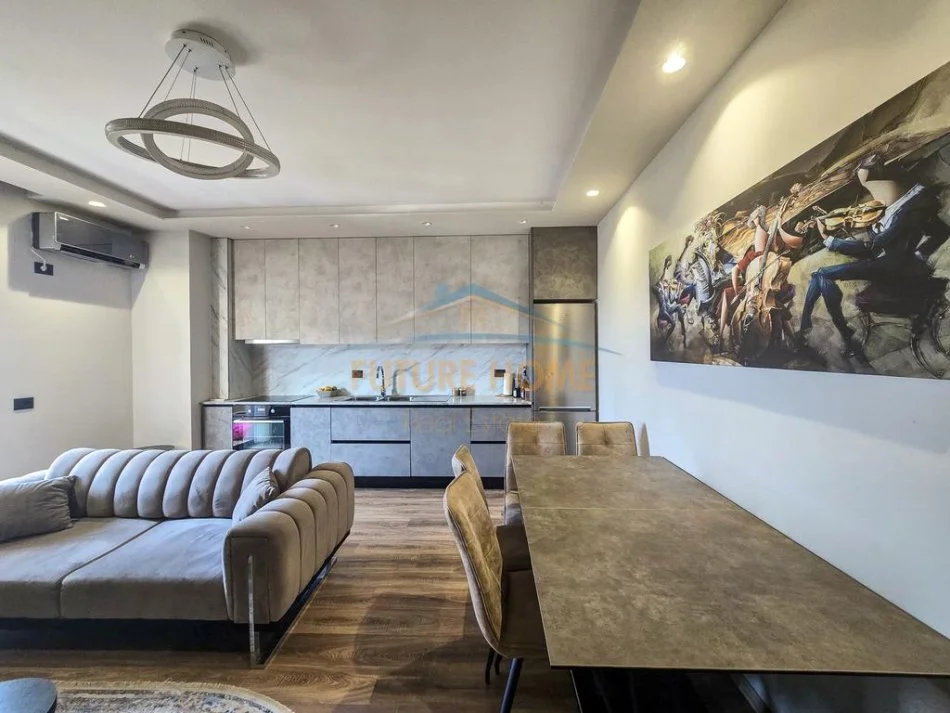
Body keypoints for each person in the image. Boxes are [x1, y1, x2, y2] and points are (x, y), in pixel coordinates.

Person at [796, 153, 936, 359]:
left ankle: (832, 332)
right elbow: (870, 247)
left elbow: (871, 246)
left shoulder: (910, 208)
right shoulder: (894, 207)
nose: (872, 193)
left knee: (823, 274)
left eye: (871, 185)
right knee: (819, 275)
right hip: (885, 261)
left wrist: (829, 239)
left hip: (891, 266)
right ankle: (818, 326)